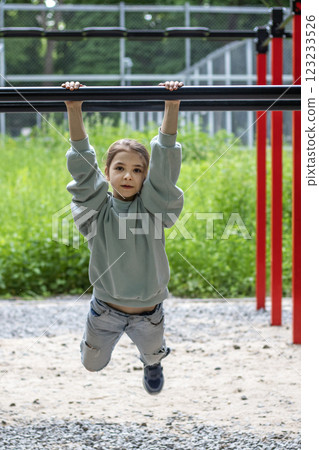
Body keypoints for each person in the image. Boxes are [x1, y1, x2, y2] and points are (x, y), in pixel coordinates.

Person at [62, 80, 184, 395]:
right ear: (108, 173)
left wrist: (171, 106)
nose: (128, 175)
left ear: (146, 177)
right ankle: (112, 347)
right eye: (120, 168)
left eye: (137, 170)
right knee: (92, 364)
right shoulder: (97, 210)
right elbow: (83, 171)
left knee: (152, 354)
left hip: (149, 313)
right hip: (105, 309)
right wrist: (74, 109)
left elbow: (166, 166)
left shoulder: (155, 209)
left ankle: (153, 363)